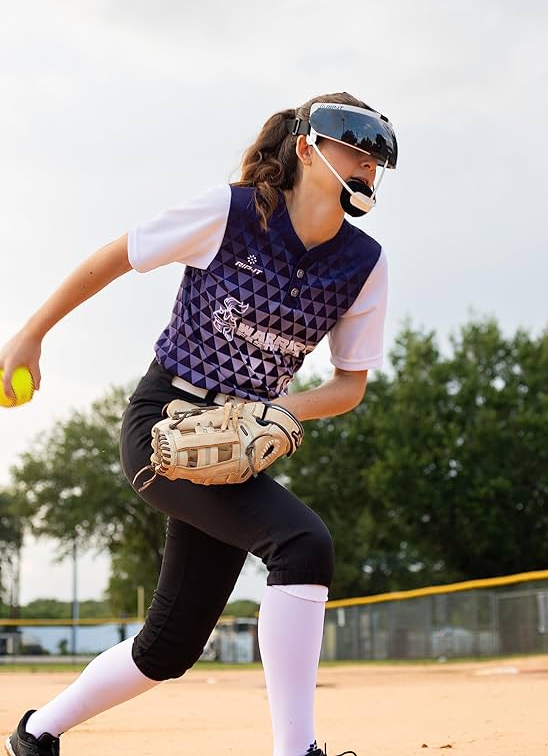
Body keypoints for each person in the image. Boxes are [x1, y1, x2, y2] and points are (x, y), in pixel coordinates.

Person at [2, 92, 398, 756]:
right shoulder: (231, 213)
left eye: (375, 158)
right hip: (164, 424)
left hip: (235, 450)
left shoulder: (363, 263)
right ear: (306, 146)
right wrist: (28, 337)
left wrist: (274, 414)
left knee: (170, 645)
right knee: (302, 545)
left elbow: (347, 384)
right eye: (351, 150)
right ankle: (296, 751)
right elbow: (116, 255)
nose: (365, 168)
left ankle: (37, 732)